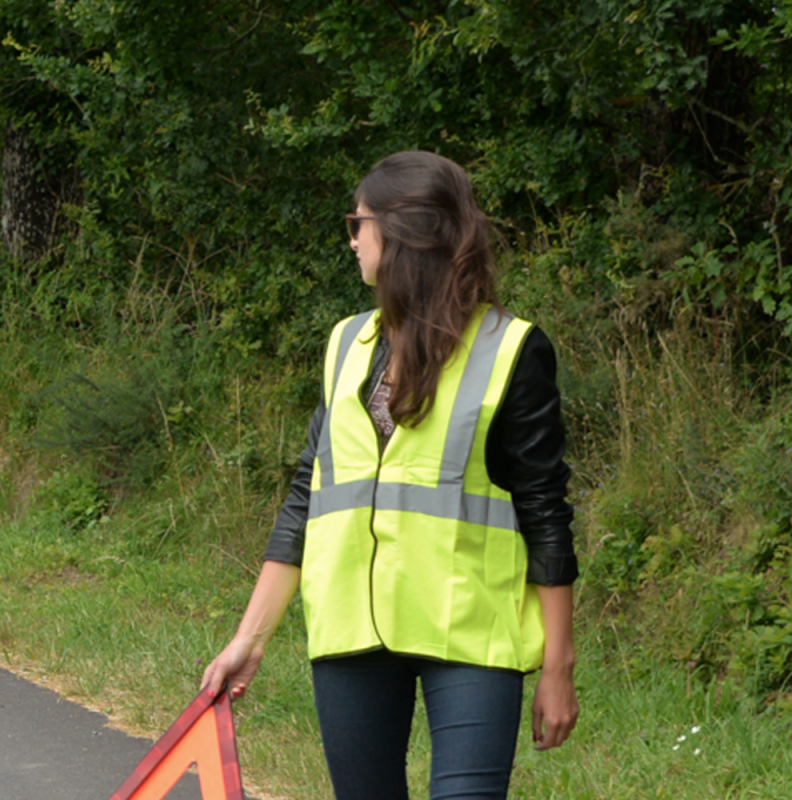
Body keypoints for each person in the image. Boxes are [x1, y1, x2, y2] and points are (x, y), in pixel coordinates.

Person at [203, 150, 579, 800]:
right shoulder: (345, 345)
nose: (352, 238)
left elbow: (546, 513)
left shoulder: (512, 350)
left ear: (402, 235)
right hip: (352, 628)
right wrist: (249, 639)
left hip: (469, 633)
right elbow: (308, 499)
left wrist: (558, 664)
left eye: (359, 223)